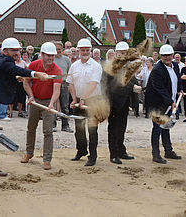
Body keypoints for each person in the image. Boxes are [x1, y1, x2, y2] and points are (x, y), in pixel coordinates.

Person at [0, 38, 47, 176]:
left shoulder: (2, 61)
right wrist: (35, 74)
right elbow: (14, 69)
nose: (17, 52)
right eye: (14, 50)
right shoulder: (5, 62)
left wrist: (17, 78)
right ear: (5, 51)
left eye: (18, 50)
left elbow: (8, 74)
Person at [20, 42, 62, 170]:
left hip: (48, 101)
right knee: (31, 128)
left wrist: (51, 103)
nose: (50, 58)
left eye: (52, 56)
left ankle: (47, 159)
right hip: (35, 100)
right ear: (42, 55)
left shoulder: (57, 70)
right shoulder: (33, 65)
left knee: (48, 131)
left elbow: (57, 90)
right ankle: (29, 153)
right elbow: (26, 82)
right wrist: (30, 96)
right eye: (48, 56)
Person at [67, 38, 102, 166]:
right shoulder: (74, 66)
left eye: (87, 50)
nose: (85, 52)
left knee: (92, 130)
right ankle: (81, 151)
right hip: (78, 99)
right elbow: (70, 84)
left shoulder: (96, 66)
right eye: (83, 50)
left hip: (93, 100)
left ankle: (92, 156)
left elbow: (93, 84)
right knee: (79, 129)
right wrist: (74, 99)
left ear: (91, 51)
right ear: (78, 51)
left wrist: (83, 99)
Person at [145, 44, 182, 164]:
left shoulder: (175, 65)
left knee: (166, 127)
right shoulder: (157, 70)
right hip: (157, 103)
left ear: (172, 55)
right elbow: (160, 89)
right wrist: (171, 102)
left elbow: (177, 79)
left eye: (169, 55)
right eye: (164, 56)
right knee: (157, 128)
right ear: (161, 56)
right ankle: (155, 154)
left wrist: (180, 90)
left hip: (168, 102)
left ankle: (168, 151)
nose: (167, 58)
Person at [103, 41, 138, 164]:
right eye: (121, 53)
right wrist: (133, 87)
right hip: (113, 102)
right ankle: (113, 154)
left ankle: (121, 150)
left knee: (122, 127)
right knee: (113, 128)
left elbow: (131, 79)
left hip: (124, 102)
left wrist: (136, 85)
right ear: (116, 53)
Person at [52, 41, 73, 133]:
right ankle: (52, 125)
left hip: (64, 83)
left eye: (59, 49)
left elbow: (70, 71)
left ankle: (65, 125)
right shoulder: (51, 59)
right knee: (52, 104)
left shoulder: (66, 60)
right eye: (56, 49)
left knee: (65, 105)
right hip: (52, 83)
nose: (58, 51)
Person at [7, 52, 28, 118]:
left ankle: (20, 111)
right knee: (12, 96)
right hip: (12, 82)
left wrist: (23, 78)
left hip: (20, 82)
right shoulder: (12, 63)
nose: (18, 57)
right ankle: (10, 112)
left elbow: (25, 71)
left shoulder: (23, 63)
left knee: (20, 97)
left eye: (19, 55)